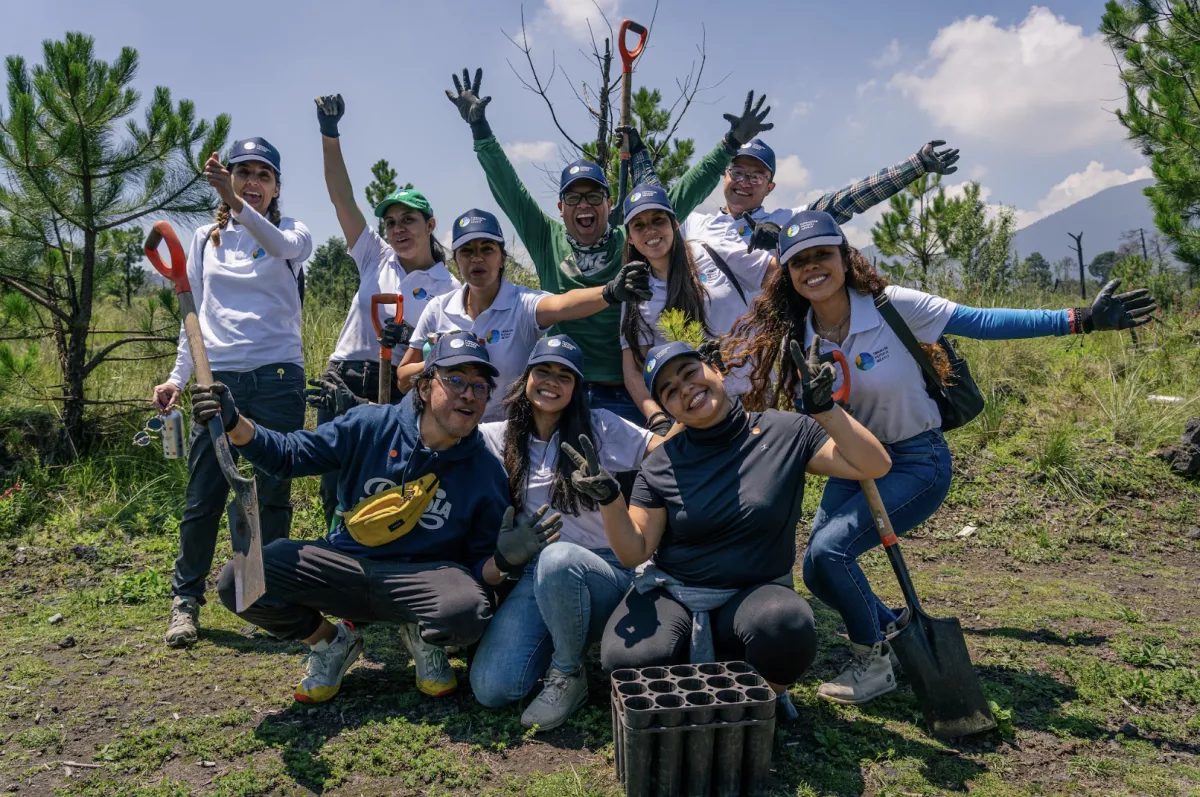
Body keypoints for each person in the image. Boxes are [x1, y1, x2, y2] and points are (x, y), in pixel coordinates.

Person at [723, 210, 1157, 704]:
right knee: (820, 570)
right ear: (789, 274)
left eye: (823, 254)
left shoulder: (892, 306)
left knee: (830, 553)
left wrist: (1079, 320)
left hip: (914, 460)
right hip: (854, 462)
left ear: (844, 257)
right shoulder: (800, 333)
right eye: (799, 261)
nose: (812, 267)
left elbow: (983, 321)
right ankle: (894, 634)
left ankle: (873, 661)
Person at [192, 332, 563, 703]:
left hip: (419, 583)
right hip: (345, 565)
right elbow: (288, 455)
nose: (468, 394)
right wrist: (233, 422)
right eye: (455, 380)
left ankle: (423, 636)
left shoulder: (485, 473)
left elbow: (476, 570)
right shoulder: (369, 426)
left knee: (467, 610)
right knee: (241, 582)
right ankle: (331, 643)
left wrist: (502, 560)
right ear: (422, 387)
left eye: (480, 387)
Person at [447, 67, 774, 425]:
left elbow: (680, 194)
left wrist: (729, 145)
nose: (583, 206)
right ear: (560, 208)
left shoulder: (632, 239)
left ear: (608, 204)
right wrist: (481, 131)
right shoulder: (546, 239)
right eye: (573, 198)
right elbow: (508, 187)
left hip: (630, 392)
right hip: (565, 389)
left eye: (594, 196)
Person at [589, 339, 891, 695]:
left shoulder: (786, 432)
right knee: (627, 665)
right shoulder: (660, 463)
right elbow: (635, 552)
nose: (686, 389)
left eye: (690, 373)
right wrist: (610, 500)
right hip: (678, 594)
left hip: (754, 596)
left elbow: (874, 464)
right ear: (668, 408)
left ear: (715, 369)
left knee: (787, 626)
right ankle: (703, 659)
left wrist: (826, 409)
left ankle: (758, 703)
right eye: (670, 391)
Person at [151, 138, 311, 649]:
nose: (253, 182)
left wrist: (237, 205)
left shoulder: (291, 233)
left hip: (279, 378)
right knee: (205, 494)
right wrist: (178, 377)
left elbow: (283, 248)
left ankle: (270, 595)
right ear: (230, 178)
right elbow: (191, 314)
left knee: (272, 493)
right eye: (243, 172)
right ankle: (186, 599)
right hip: (215, 378)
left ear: (277, 186)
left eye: (264, 174)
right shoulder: (203, 238)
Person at [469, 335, 676, 731]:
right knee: (492, 688)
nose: (552, 382)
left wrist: (728, 428)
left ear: (577, 387)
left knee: (558, 557)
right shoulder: (496, 437)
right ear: (526, 378)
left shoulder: (602, 427)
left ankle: (567, 673)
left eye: (565, 376)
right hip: (536, 573)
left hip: (608, 571)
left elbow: (665, 452)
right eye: (543, 371)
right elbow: (440, 435)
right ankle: (559, 638)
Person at [310, 94, 462, 528]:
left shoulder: (448, 289)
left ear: (430, 224)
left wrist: (411, 335)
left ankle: (376, 565)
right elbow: (342, 199)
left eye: (408, 221)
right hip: (346, 377)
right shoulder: (375, 257)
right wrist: (330, 133)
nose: (397, 230)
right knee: (334, 478)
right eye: (391, 222)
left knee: (382, 480)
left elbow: (439, 348)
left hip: (397, 387)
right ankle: (333, 555)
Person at [395, 209, 650, 422]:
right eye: (467, 251)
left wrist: (610, 292)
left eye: (487, 249)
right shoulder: (439, 308)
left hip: (505, 438)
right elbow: (404, 379)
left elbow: (563, 305)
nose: (477, 259)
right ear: (456, 260)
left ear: (502, 258)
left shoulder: (521, 305)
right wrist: (443, 359)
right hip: (445, 434)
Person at [680, 138, 962, 306]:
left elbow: (848, 199)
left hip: (764, 357)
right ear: (724, 176)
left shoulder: (788, 221)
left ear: (770, 187)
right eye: (737, 172)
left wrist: (915, 165)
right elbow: (650, 216)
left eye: (755, 177)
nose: (744, 183)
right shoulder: (693, 225)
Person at [618, 185, 757, 431]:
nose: (650, 230)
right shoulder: (635, 290)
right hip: (698, 414)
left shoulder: (712, 250)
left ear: (674, 223)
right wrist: (657, 417)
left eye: (658, 220)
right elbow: (634, 368)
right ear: (629, 236)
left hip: (756, 398)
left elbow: (776, 276)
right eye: (638, 225)